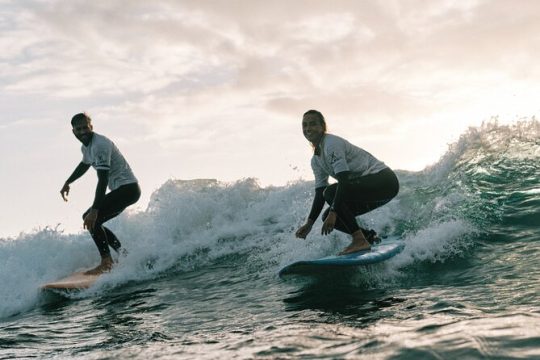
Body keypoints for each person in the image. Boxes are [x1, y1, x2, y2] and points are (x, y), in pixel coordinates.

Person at [295, 110, 399, 255]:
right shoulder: (316, 160)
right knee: (328, 215)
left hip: (384, 181)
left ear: (322, 127)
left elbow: (343, 180)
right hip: (372, 187)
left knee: (331, 195)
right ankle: (368, 237)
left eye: (313, 124)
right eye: (304, 125)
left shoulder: (331, 144)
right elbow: (320, 192)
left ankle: (359, 240)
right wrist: (310, 223)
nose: (308, 128)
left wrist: (334, 210)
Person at [60, 113, 141, 274]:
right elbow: (84, 164)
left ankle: (106, 262)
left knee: (91, 219)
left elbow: (102, 180)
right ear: (73, 131)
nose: (83, 131)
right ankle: (124, 255)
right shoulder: (87, 147)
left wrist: (95, 210)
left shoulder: (100, 145)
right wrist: (68, 182)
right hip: (125, 190)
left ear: (91, 127)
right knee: (95, 222)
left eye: (85, 127)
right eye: (79, 129)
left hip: (128, 189)